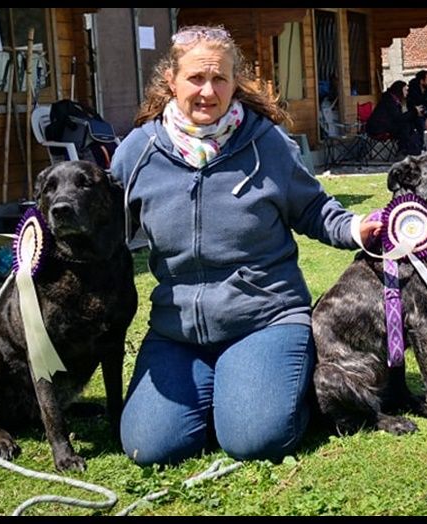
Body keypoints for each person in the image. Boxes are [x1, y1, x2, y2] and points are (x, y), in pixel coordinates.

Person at [109, 25, 381, 466]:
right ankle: (228, 388)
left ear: (236, 82)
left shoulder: (266, 142)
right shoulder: (139, 151)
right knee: (149, 447)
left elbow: (312, 208)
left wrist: (356, 228)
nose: (208, 91)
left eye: (220, 79)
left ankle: (268, 385)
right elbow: (105, 223)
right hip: (177, 333)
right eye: (196, 78)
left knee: (254, 440)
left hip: (265, 318)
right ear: (171, 82)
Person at [366, 80, 422, 156]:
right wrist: (414, 112)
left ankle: (409, 149)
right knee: (406, 127)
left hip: (386, 125)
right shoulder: (389, 101)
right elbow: (398, 118)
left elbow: (398, 118)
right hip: (377, 129)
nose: (407, 92)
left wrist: (414, 112)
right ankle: (408, 150)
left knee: (408, 125)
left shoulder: (394, 100)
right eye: (405, 90)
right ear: (399, 90)